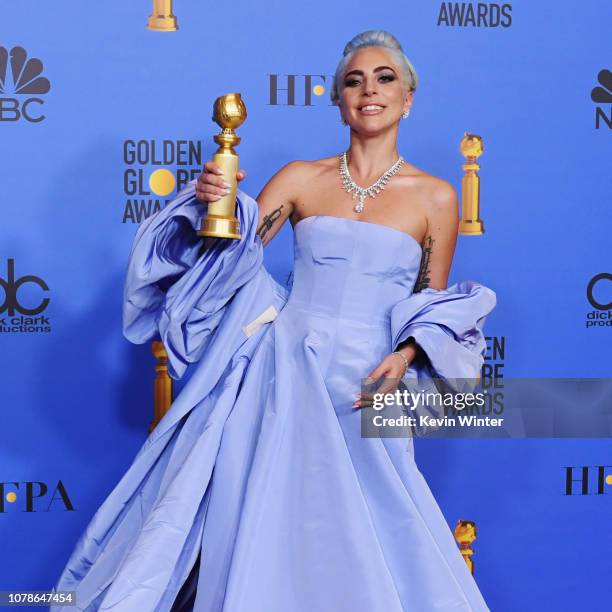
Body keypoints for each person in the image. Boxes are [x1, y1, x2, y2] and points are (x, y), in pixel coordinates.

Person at [52, 30, 496, 611]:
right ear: (338, 99)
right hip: (284, 370)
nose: (369, 90)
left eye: (385, 78)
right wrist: (214, 200)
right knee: (263, 515)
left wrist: (406, 356)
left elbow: (432, 303)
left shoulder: (436, 197)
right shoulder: (300, 179)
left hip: (368, 385)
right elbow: (234, 251)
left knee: (372, 527)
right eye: (354, 80)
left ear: (408, 99)